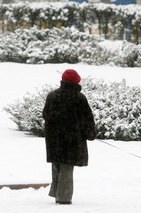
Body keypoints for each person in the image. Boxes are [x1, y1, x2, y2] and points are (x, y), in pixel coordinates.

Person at [42, 69, 96, 205]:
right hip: (71, 140)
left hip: (54, 139)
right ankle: (64, 198)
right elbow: (87, 118)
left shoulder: (52, 95)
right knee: (66, 167)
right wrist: (90, 133)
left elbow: (45, 115)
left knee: (57, 165)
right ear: (75, 81)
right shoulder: (79, 98)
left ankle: (57, 193)